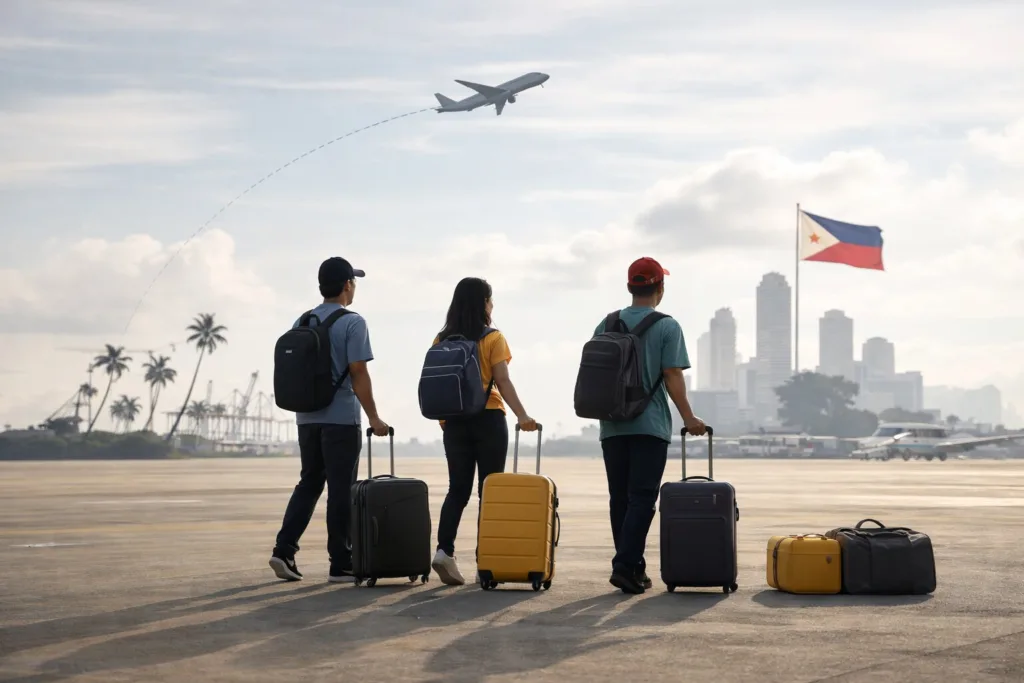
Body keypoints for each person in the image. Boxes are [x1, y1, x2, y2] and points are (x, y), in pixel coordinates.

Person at [269, 256, 389, 584]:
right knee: (341, 490)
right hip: (339, 420)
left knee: (309, 483)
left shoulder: (302, 320)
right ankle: (341, 561)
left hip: (305, 418)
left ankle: (284, 550)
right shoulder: (353, 322)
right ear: (348, 285)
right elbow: (358, 372)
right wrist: (375, 418)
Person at [594, 256, 706, 595]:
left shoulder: (607, 323)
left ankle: (633, 568)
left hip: (611, 425)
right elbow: (672, 375)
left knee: (620, 500)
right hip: (649, 424)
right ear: (660, 287)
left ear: (630, 287)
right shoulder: (667, 326)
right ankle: (625, 565)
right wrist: (688, 417)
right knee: (642, 498)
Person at [429, 277, 537, 586]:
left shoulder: (441, 339)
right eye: (490, 300)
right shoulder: (493, 337)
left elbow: (439, 383)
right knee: (488, 492)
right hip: (489, 418)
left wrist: (446, 422)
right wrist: (523, 415)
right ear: (484, 304)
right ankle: (485, 561)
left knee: (457, 491)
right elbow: (502, 380)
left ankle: (444, 550)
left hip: (454, 422)